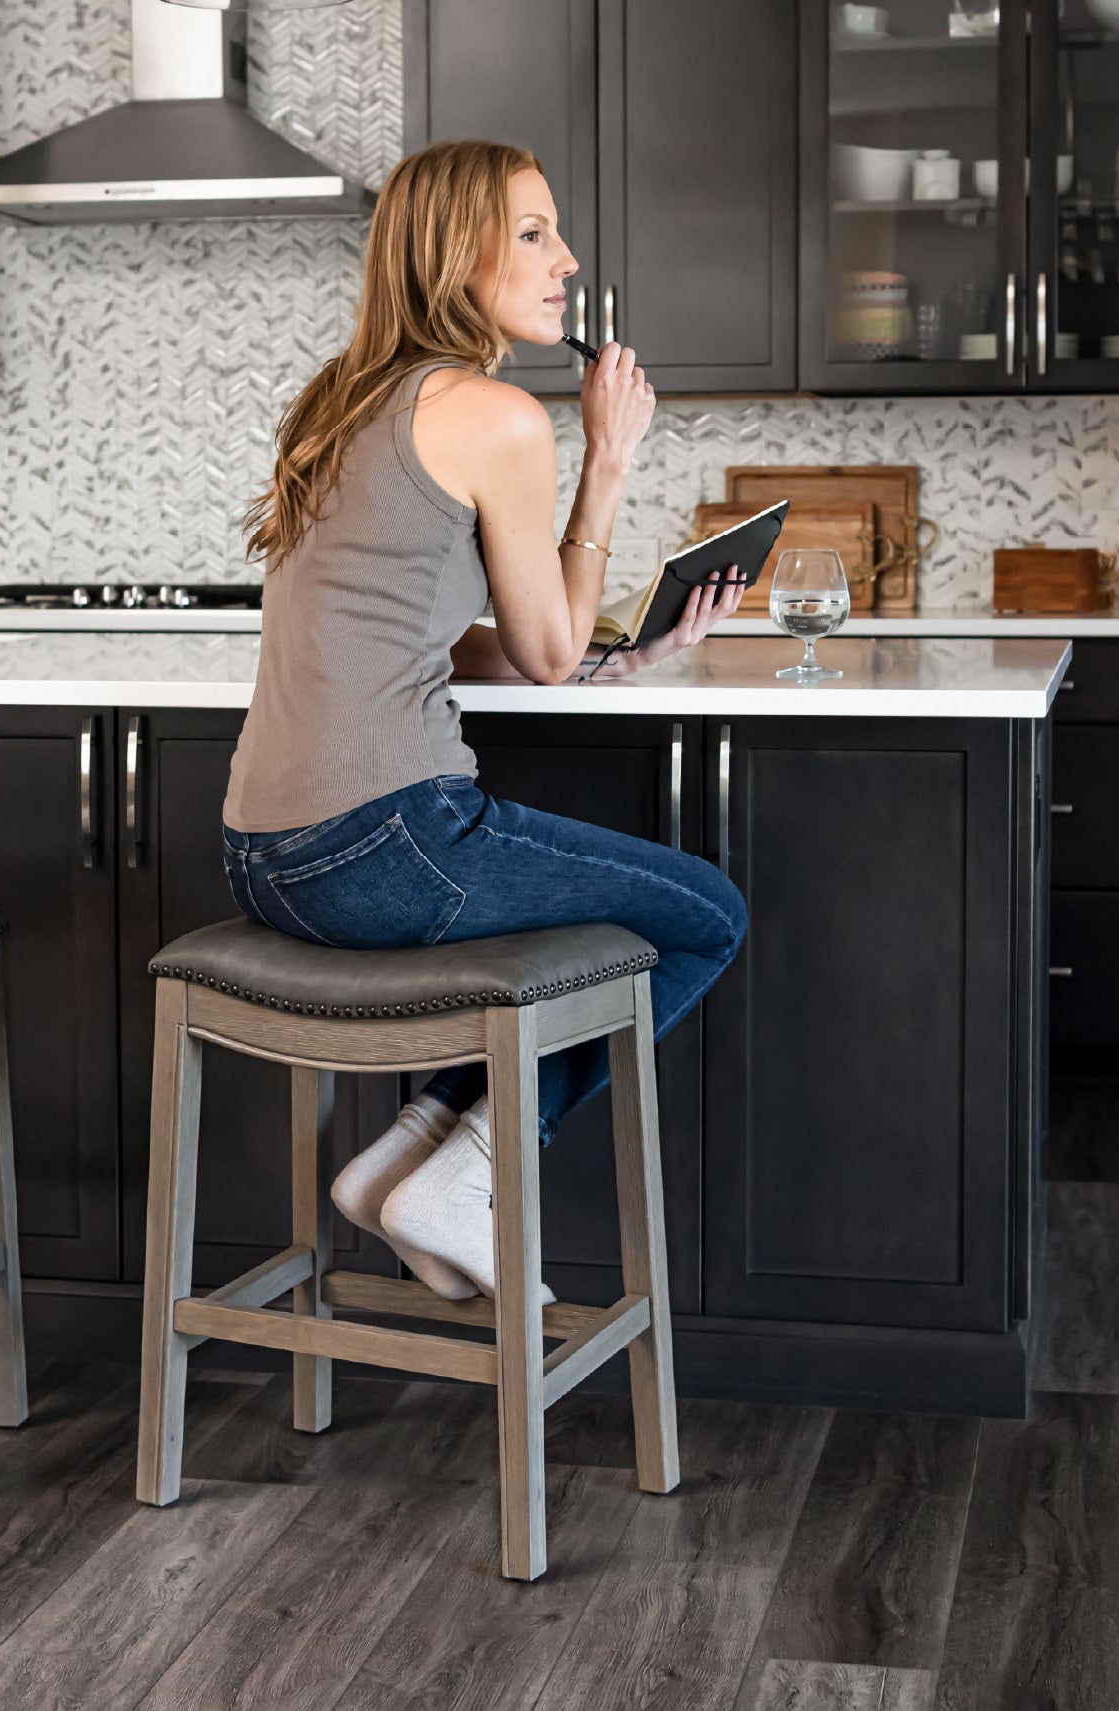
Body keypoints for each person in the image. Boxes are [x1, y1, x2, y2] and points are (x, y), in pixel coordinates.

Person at [221, 139, 748, 1304]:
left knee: (632, 921)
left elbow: (456, 642)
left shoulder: (343, 397)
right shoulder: (498, 415)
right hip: (384, 845)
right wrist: (607, 457)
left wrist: (629, 656)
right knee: (709, 915)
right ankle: (473, 1166)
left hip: (265, 855)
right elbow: (547, 645)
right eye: (531, 233)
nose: (565, 259)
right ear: (454, 253)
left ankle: (412, 1157)